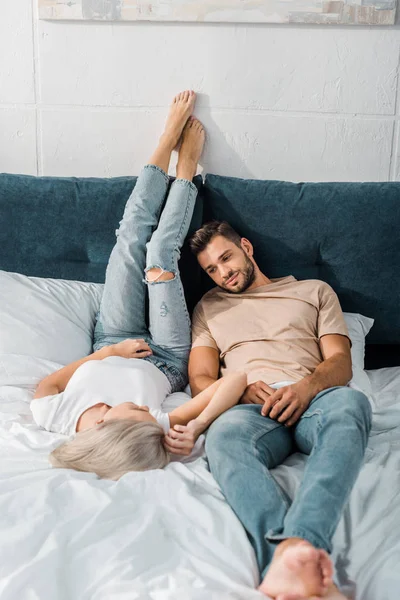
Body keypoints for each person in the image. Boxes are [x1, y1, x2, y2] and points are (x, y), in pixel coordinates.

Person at [31, 91, 247, 480]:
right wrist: (194, 426)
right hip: (166, 355)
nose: (148, 411)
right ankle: (186, 173)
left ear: (104, 426)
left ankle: (165, 143)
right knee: (159, 255)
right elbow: (232, 383)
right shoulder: (151, 429)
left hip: (112, 337)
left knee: (130, 239)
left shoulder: (56, 418)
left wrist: (110, 351)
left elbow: (50, 383)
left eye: (139, 411)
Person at [177, 220, 372, 600]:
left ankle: (296, 546)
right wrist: (239, 391)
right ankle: (290, 560)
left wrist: (307, 387)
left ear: (246, 247)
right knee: (223, 439)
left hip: (314, 396)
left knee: (352, 404)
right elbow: (200, 377)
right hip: (249, 407)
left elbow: (340, 362)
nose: (223, 273)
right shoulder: (208, 307)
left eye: (226, 258)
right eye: (211, 270)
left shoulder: (313, 291)